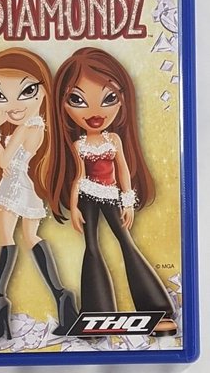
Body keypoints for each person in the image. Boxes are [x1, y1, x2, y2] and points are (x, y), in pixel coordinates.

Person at [50, 46, 177, 336]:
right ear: (63, 106)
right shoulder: (79, 145)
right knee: (92, 246)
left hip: (111, 195)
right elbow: (78, 177)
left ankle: (156, 310)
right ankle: (97, 314)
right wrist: (74, 206)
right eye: (77, 99)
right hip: (87, 195)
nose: (95, 112)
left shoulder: (114, 140)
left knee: (126, 242)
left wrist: (128, 201)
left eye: (109, 98)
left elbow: (123, 171)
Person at [0, 48, 78, 341]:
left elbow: (5, 161)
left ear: (44, 91)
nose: (12, 105)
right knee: (31, 237)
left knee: (6, 241)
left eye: (26, 91)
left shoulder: (26, 126)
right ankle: (63, 297)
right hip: (28, 187)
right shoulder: (39, 125)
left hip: (14, 184)